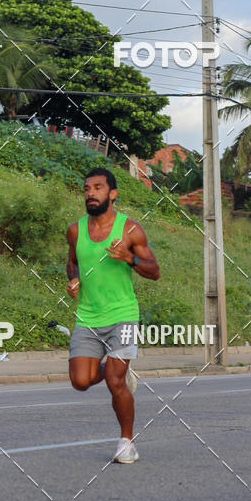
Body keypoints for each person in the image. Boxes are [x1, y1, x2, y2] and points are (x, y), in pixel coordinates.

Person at [66, 167, 160, 463]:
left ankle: (126, 441)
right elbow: (72, 263)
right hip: (88, 317)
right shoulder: (75, 230)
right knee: (81, 381)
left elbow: (154, 271)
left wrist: (128, 258)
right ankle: (118, 369)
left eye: (97, 187)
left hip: (124, 316)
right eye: (86, 189)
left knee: (114, 382)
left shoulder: (130, 230)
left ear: (113, 194)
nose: (90, 193)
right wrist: (74, 279)